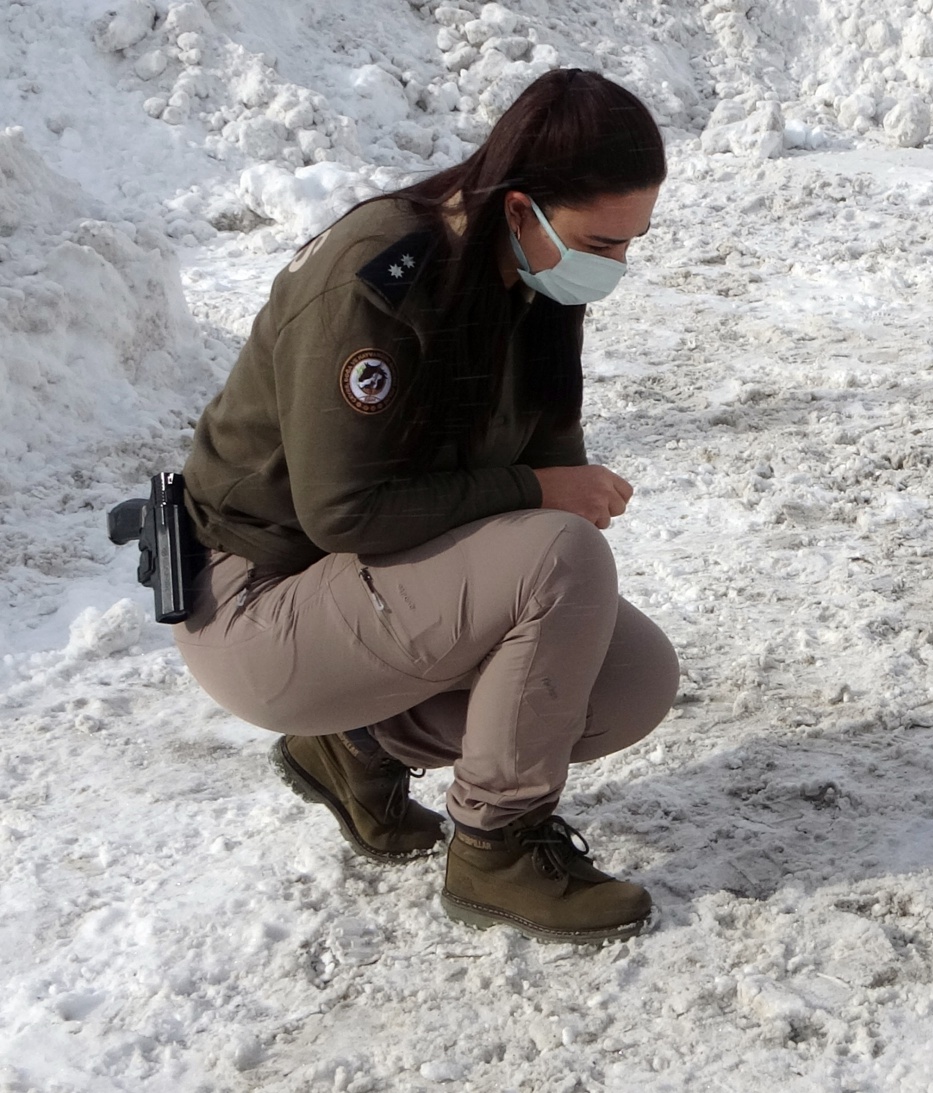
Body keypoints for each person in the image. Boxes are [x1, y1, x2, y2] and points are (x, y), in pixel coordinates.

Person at [173, 69, 679, 944]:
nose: (617, 265)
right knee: (559, 556)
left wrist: (553, 486)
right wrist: (537, 495)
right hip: (257, 601)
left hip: (361, 591)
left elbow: (546, 445)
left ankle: (353, 742)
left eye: (632, 243)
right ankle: (497, 849)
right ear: (521, 208)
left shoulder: (533, 279)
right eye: (604, 242)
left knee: (631, 683)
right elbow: (342, 511)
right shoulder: (380, 279)